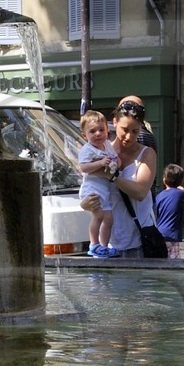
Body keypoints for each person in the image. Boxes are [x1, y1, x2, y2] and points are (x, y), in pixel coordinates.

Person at [108, 101, 160, 258]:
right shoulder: (103, 152)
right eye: (125, 130)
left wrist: (113, 177)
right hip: (109, 241)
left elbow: (140, 191)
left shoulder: (147, 154)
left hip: (138, 240)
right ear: (115, 122)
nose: (129, 136)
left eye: (135, 131)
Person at [75, 109, 119, 257]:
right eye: (92, 131)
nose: (98, 134)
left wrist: (116, 163)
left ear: (107, 130)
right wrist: (100, 163)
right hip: (92, 189)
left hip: (104, 190)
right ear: (85, 135)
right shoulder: (87, 150)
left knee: (109, 219)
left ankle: (104, 246)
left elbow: (115, 158)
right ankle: (94, 244)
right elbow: (84, 167)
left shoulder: (107, 145)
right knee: (98, 216)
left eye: (101, 130)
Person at [153, 162, 184, 259]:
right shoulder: (179, 194)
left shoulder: (159, 196)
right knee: (174, 260)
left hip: (160, 232)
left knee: (162, 258)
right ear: (181, 182)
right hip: (172, 234)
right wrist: (182, 191)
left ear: (164, 181)